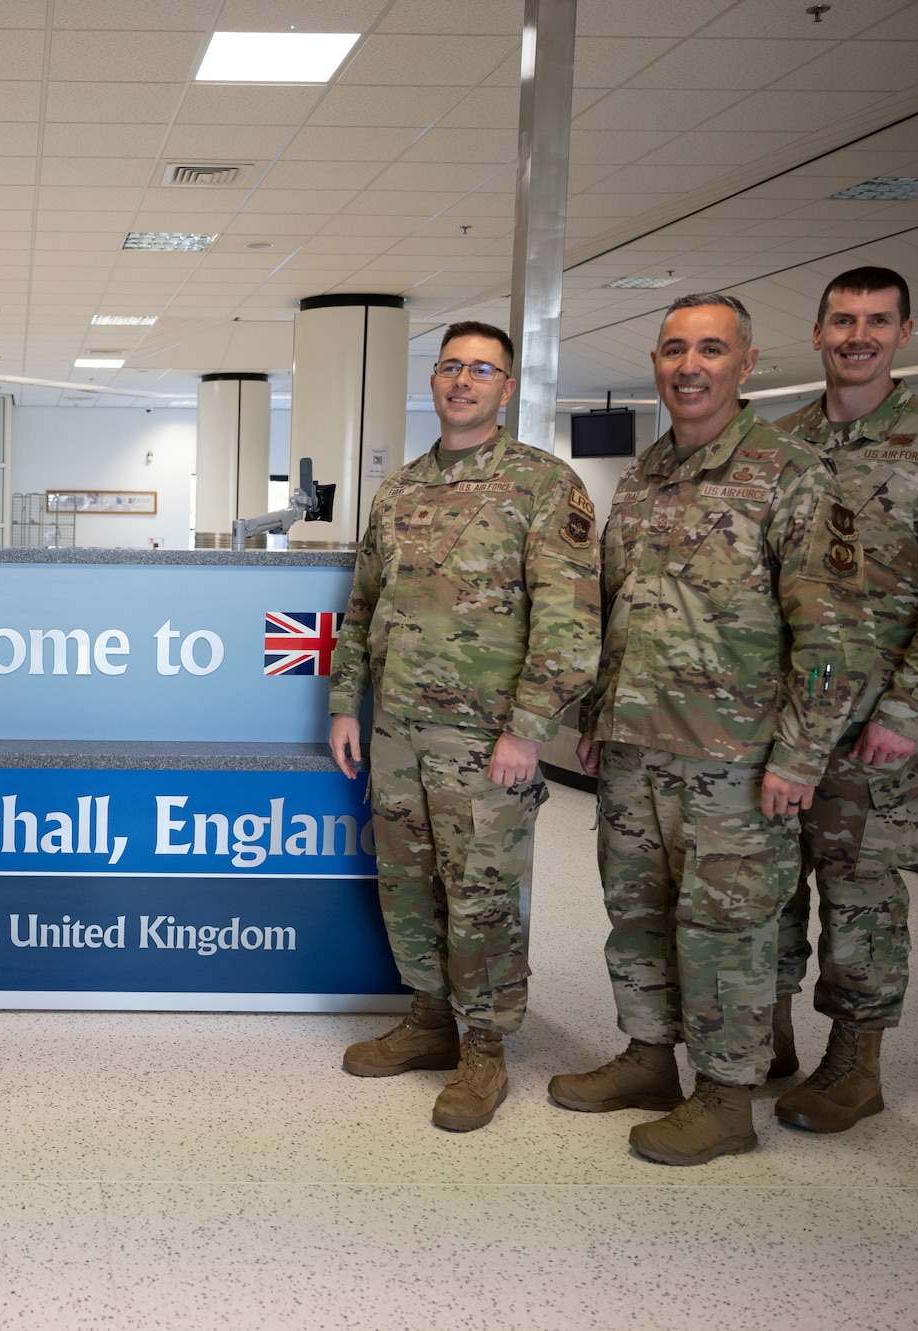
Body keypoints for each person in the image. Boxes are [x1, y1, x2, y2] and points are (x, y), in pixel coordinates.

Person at [550, 293, 863, 1165]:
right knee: (638, 916)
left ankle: (726, 1099)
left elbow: (835, 639)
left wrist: (801, 755)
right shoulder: (645, 473)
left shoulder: (790, 473)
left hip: (737, 761)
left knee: (727, 933)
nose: (690, 365)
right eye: (675, 348)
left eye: (712, 349)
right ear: (656, 362)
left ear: (746, 363)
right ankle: (652, 1058)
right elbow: (622, 609)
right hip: (632, 751)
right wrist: (595, 714)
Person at [327, 320, 601, 1132]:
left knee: (481, 897)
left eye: (482, 369)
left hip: (487, 742)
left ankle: (486, 1048)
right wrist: (347, 701)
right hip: (399, 733)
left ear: (506, 387)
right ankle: (429, 1018)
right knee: (408, 885)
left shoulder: (544, 486)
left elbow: (571, 620)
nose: (463, 380)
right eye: (451, 366)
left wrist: (528, 729)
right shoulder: (400, 489)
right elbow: (364, 603)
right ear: (435, 379)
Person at [767, 267, 918, 1132]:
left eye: (876, 320)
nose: (856, 334)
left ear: (905, 333)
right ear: (819, 331)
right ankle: (771, 1035)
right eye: (841, 320)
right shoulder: (781, 441)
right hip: (779, 721)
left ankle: (854, 1064)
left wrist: (910, 711)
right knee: (767, 887)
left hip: (874, 728)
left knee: (861, 892)